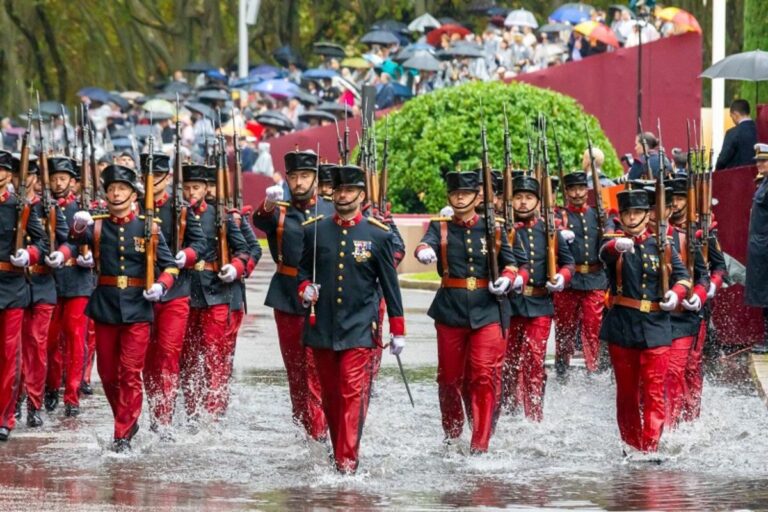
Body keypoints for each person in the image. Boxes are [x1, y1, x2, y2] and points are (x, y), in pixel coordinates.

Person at [46, 164, 178, 452]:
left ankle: (123, 431)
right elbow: (73, 240)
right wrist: (66, 246)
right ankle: (126, 418)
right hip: (105, 305)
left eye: (122, 188)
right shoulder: (98, 224)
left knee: (130, 372)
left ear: (133, 194)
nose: (116, 193)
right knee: (107, 374)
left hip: (138, 307)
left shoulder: (148, 227)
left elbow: (169, 265)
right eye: (111, 189)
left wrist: (162, 285)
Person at [298, 164, 405, 474]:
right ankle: (339, 451)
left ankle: (347, 462)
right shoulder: (314, 228)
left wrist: (398, 330)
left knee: (350, 391)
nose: (342, 196)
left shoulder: (378, 234)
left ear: (361, 194)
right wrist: (305, 289)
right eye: (338, 190)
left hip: (359, 326)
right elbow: (303, 272)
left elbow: (389, 285)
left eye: (349, 191)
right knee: (330, 397)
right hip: (322, 325)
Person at [414, 170, 524, 453]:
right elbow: (424, 244)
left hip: (487, 308)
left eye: (465, 193)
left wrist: (508, 279)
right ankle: (452, 433)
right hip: (451, 309)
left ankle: (480, 443)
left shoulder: (494, 227)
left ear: (477, 196)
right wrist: (424, 250)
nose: (459, 198)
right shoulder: (441, 226)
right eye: (454, 193)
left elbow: (512, 263)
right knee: (449, 379)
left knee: (483, 375)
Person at [599, 189, 691, 454]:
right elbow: (604, 254)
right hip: (623, 325)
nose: (631, 217)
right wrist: (618, 245)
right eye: (627, 213)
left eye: (637, 212)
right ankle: (631, 444)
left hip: (656, 326)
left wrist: (676, 294)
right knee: (627, 394)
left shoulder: (663, 246)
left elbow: (683, 277)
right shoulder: (613, 243)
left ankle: (650, 447)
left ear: (647, 214)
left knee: (654, 390)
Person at [253, 149, 331, 442]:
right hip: (287, 297)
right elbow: (260, 220)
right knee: (296, 369)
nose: (299, 182)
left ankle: (320, 430)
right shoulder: (280, 211)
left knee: (316, 368)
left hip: (323, 299)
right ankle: (305, 424)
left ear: (315, 178)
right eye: (294, 176)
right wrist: (268, 202)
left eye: (305, 176)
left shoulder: (330, 210)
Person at [138, 153, 207, 438]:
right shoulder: (133, 206)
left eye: (156, 177)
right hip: (141, 292)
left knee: (167, 354)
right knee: (146, 358)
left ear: (167, 178)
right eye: (146, 177)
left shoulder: (179, 209)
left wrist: (186, 255)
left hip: (176, 291)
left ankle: (163, 417)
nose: (150, 182)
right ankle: (153, 406)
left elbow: (200, 242)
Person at [179, 164, 250, 423]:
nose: (190, 192)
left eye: (196, 187)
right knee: (187, 356)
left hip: (216, 292)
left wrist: (235, 267)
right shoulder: (179, 216)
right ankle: (191, 409)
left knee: (213, 353)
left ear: (207, 188)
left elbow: (244, 250)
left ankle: (214, 408)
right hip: (186, 291)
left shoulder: (221, 217)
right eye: (186, 188)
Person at [503, 175, 574, 421]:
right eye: (518, 197)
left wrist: (562, 278)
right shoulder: (503, 228)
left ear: (538, 200)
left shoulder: (549, 230)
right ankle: (508, 408)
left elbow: (569, 263)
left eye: (529, 197)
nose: (523, 203)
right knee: (509, 361)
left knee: (535, 359)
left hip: (540, 303)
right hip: (509, 305)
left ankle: (534, 413)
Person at [13, 155, 66, 429]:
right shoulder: (10, 206)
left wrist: (60, 253)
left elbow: (67, 239)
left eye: (27, 177)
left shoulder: (50, 207)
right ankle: (15, 400)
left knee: (36, 345)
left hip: (44, 284)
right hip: (15, 285)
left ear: (35, 178)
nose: (22, 182)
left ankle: (34, 403)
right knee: (14, 349)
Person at [0, 150, 48, 441]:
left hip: (12, 286)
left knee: (8, 356)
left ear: (9, 175)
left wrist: (27, 254)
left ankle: (4, 416)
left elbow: (41, 242)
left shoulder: (21, 206)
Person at [655, 179, 710, 429]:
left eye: (669, 205)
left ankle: (671, 427)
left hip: (681, 319)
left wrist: (698, 295)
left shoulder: (686, 237)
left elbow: (705, 276)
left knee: (675, 372)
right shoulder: (638, 242)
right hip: (650, 320)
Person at [44, 156, 93, 417]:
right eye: (53, 178)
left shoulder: (83, 208)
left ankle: (72, 395)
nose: (57, 182)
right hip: (50, 280)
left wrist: (91, 257)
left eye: (62, 178)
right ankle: (51, 386)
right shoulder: (44, 207)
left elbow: (98, 241)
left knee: (75, 341)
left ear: (73, 182)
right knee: (50, 341)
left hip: (78, 281)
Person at [553, 172, 610, 377]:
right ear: (567, 191)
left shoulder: (597, 215)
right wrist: (559, 231)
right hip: (569, 281)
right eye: (572, 189)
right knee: (564, 328)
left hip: (594, 278)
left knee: (592, 327)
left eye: (581, 188)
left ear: (587, 190)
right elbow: (552, 227)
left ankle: (591, 368)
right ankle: (562, 367)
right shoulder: (560, 215)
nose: (577, 193)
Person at [746, 143, 768, 352]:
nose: (760, 164)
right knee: (763, 292)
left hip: (765, 246)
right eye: (758, 161)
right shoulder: (764, 183)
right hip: (760, 246)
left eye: (764, 160)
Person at [716, 99, 758, 171]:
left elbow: (722, 160)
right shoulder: (761, 131)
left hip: (737, 178)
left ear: (735, 114)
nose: (732, 119)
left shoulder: (733, 133)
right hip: (760, 179)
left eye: (731, 116)